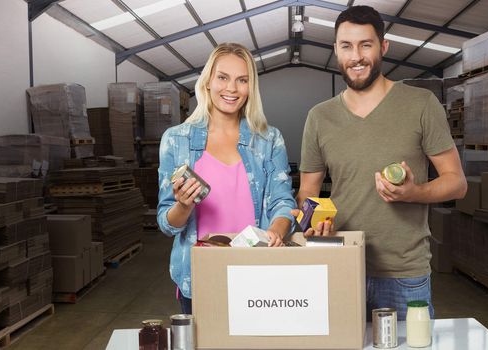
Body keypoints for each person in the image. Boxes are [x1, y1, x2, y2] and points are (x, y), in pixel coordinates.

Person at [296, 5, 467, 320]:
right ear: (335, 50)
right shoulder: (320, 117)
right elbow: (308, 191)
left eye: (366, 44)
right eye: (346, 46)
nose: (356, 56)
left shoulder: (420, 104)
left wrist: (414, 193)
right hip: (341, 265)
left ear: (383, 47)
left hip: (404, 273)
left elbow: (456, 181)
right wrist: (315, 221)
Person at [157, 43, 296, 315]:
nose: (231, 88)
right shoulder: (176, 140)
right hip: (199, 279)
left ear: (250, 87)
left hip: (257, 278)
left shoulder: (269, 140)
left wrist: (277, 232)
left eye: (242, 80)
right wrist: (183, 206)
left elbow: (282, 201)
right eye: (223, 77)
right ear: (208, 82)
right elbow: (166, 222)